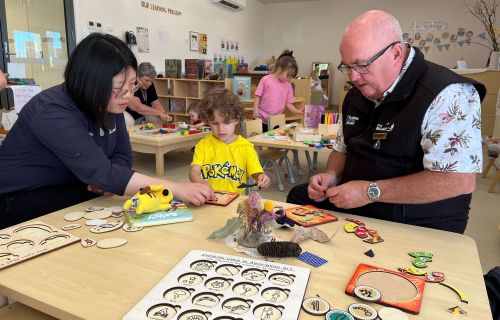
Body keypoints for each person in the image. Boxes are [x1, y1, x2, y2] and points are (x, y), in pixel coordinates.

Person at [287, 10, 486, 234]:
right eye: (347, 66)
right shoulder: (356, 95)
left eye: (361, 66)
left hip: (416, 218)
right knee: (298, 198)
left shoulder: (448, 94)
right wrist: (332, 175)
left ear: (396, 53)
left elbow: (458, 181)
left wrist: (369, 192)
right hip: (358, 201)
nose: (352, 77)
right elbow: (342, 149)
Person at [0, 33, 213, 229]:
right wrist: (175, 188)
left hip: (76, 188)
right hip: (21, 199)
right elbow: (102, 172)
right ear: (92, 83)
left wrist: (107, 185)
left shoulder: (108, 103)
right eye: (121, 88)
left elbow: (121, 155)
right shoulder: (52, 110)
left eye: (132, 86)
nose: (128, 96)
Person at [189, 88, 271, 193]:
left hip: (234, 201)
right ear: (207, 121)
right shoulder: (203, 145)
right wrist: (202, 183)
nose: (221, 129)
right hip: (209, 198)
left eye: (226, 123)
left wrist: (262, 177)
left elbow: (256, 172)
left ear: (236, 119)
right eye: (215, 123)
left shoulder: (246, 147)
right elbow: (193, 172)